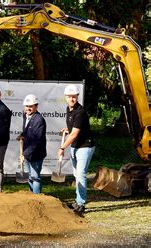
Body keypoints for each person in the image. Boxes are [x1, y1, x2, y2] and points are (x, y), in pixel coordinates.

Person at [58, 84, 95, 216]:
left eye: (74, 97)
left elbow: (74, 134)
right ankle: (77, 200)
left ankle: (81, 204)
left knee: (81, 175)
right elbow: (74, 130)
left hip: (85, 146)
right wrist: (67, 130)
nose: (72, 99)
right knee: (76, 175)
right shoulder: (69, 109)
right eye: (69, 97)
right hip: (75, 146)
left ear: (77, 97)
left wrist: (62, 147)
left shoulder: (80, 112)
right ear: (66, 98)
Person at [17, 94, 47, 194]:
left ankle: (37, 199)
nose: (28, 108)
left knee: (35, 177)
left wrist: (24, 154)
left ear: (36, 106)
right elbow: (27, 131)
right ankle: (31, 198)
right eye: (26, 106)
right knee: (30, 177)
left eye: (31, 106)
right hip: (27, 152)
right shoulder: (26, 116)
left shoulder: (39, 120)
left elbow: (37, 141)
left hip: (36, 154)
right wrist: (22, 135)